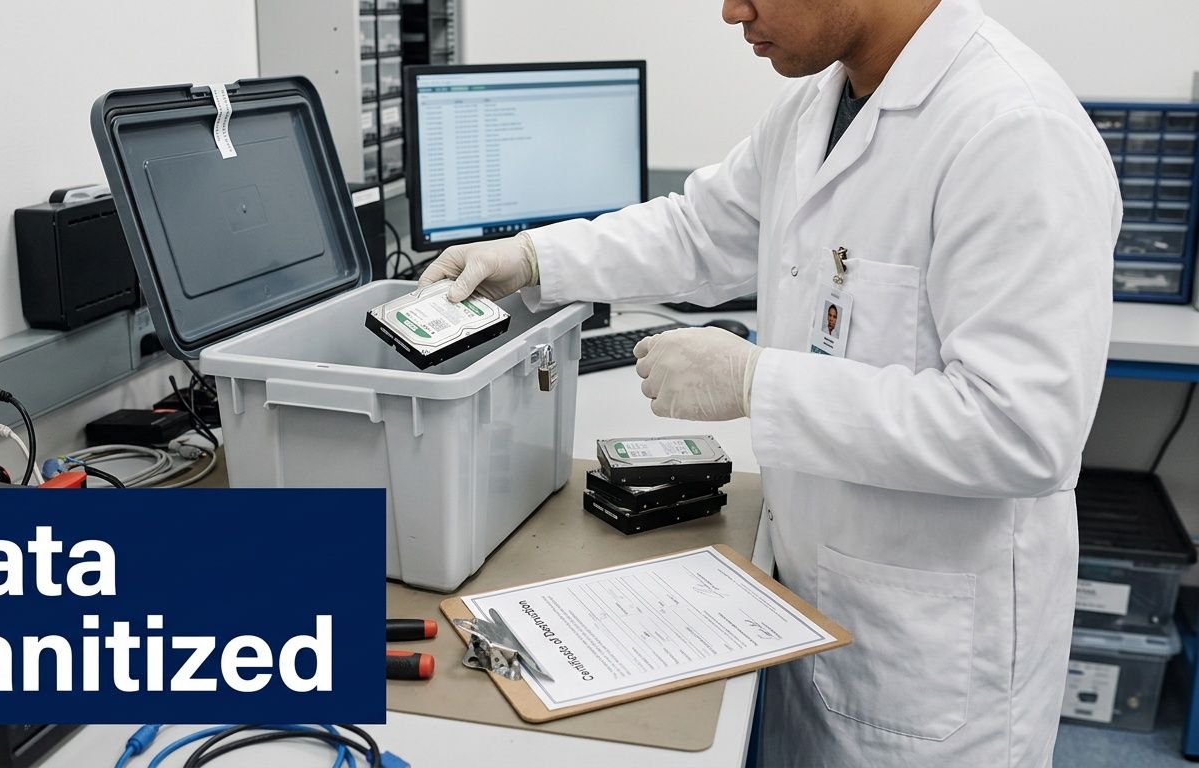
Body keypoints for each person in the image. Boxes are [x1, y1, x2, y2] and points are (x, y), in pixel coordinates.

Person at [418, 0, 1120, 764]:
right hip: (810, 596)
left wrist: (757, 384)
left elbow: (1021, 434)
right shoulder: (817, 105)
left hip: (932, 663)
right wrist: (531, 261)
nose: (731, 10)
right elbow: (696, 231)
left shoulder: (1015, 130)